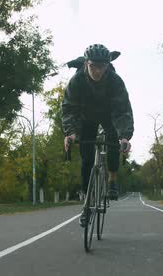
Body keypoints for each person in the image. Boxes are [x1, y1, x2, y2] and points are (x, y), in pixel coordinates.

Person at [62, 44, 134, 226]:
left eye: (102, 66)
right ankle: (86, 203)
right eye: (93, 65)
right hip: (87, 117)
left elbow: (123, 110)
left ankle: (112, 180)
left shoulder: (115, 81)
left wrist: (124, 136)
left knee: (113, 141)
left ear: (107, 65)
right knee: (86, 158)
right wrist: (70, 133)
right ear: (86, 63)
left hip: (110, 114)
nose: (97, 70)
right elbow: (69, 109)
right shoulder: (77, 81)